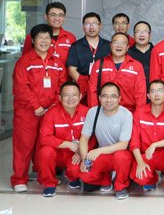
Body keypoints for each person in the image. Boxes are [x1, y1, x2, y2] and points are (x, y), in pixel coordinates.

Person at [12, 24, 66, 192]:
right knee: (24, 145)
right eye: (40, 37)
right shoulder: (24, 61)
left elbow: (62, 85)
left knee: (44, 144)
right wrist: (36, 106)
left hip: (49, 110)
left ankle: (42, 175)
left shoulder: (56, 62)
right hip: (27, 111)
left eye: (47, 38)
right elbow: (21, 87)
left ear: (51, 41)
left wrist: (55, 104)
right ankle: (19, 179)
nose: (44, 41)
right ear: (33, 40)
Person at [79, 83, 133, 200]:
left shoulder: (126, 115)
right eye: (105, 96)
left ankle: (120, 186)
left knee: (121, 157)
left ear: (119, 98)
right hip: (103, 155)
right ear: (99, 98)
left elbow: (123, 145)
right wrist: (84, 160)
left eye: (113, 96)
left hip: (120, 154)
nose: (109, 100)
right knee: (85, 175)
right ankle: (106, 179)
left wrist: (99, 150)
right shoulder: (93, 112)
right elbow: (84, 139)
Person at [129, 80, 164, 199]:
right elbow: (134, 141)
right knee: (140, 177)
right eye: (153, 91)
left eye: (160, 91)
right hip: (147, 156)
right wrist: (140, 162)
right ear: (148, 95)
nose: (156, 94)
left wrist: (155, 145)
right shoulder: (139, 113)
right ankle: (151, 179)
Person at [38, 81, 87, 197]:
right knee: (45, 152)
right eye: (66, 95)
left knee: (77, 170)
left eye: (74, 95)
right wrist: (68, 144)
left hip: (75, 154)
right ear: (60, 98)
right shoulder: (51, 113)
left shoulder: (87, 112)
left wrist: (82, 152)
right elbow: (44, 138)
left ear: (80, 96)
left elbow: (93, 137)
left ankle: (72, 177)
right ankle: (50, 184)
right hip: (58, 152)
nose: (71, 99)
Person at [88, 33, 147, 113]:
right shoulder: (98, 65)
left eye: (123, 43)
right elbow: (92, 91)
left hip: (129, 113)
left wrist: (138, 115)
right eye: (115, 42)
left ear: (127, 47)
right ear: (111, 45)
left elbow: (140, 94)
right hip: (103, 112)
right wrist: (94, 113)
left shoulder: (137, 66)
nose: (119, 46)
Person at [67, 12, 111, 103]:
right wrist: (87, 84)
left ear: (100, 26)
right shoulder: (76, 46)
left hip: (105, 89)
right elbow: (72, 70)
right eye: (87, 24)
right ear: (83, 27)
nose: (91, 27)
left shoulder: (109, 46)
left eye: (94, 24)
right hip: (83, 90)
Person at [127, 21, 153, 86]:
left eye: (145, 32)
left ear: (150, 35)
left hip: (153, 91)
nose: (141, 35)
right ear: (134, 35)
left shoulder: (156, 52)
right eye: (138, 32)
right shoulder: (127, 54)